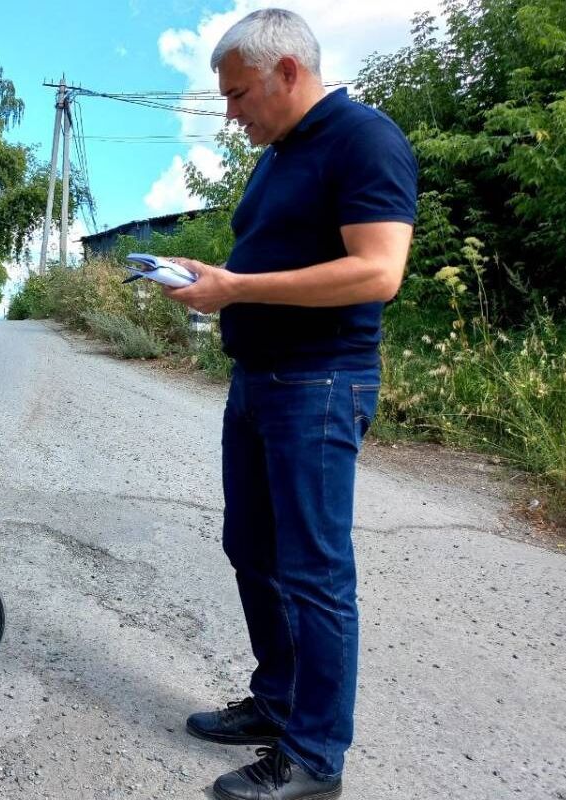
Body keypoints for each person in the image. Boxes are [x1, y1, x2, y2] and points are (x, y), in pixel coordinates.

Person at [160, 10, 417, 800]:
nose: (231, 112)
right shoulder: (277, 156)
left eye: (238, 95)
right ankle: (277, 702)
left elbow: (378, 271)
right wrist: (211, 276)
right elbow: (267, 256)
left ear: (289, 74)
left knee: (313, 572)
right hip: (259, 379)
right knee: (252, 548)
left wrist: (236, 288)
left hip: (321, 381)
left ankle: (314, 758)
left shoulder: (364, 139)